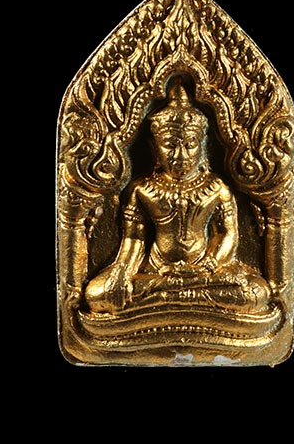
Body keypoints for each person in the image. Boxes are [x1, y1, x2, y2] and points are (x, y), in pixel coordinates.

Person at [84, 77, 270, 315]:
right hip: (156, 272)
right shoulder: (141, 190)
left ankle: (169, 300)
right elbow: (134, 241)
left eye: (190, 144)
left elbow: (228, 234)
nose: (181, 155)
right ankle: (185, 298)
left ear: (202, 145)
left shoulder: (216, 187)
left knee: (257, 292)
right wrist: (122, 272)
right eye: (170, 145)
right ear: (154, 147)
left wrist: (208, 266)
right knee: (97, 294)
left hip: (205, 274)